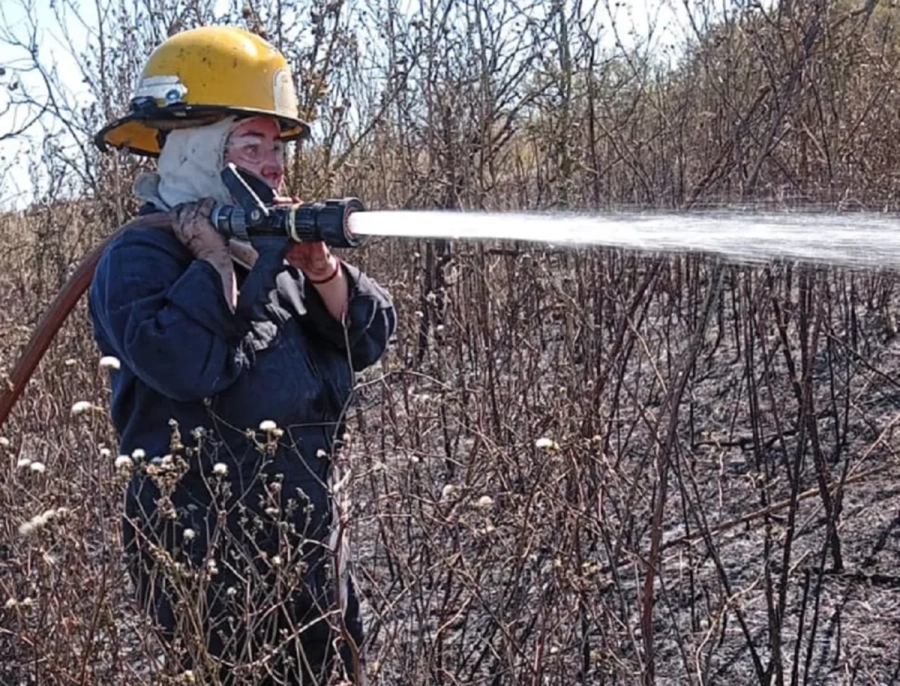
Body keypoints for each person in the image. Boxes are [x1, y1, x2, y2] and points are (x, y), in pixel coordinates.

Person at [89, 25, 396, 685]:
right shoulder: (138, 256)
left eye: (276, 146)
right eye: (249, 144)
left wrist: (321, 271)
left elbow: (365, 339)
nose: (273, 165)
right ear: (197, 153)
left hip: (308, 543)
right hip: (206, 553)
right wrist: (215, 262)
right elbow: (186, 364)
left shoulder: (273, 245)